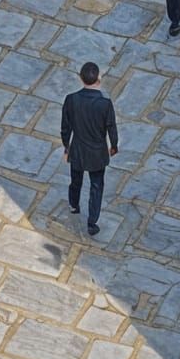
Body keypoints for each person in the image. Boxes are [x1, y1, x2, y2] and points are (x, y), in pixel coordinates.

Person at [61, 61, 118, 236]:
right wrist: (114, 146)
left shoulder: (71, 99)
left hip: (77, 149)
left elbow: (65, 127)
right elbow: (111, 128)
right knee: (96, 186)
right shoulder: (105, 104)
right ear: (99, 78)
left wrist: (66, 147)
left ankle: (74, 205)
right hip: (97, 153)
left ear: (81, 78)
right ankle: (92, 222)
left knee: (75, 180)